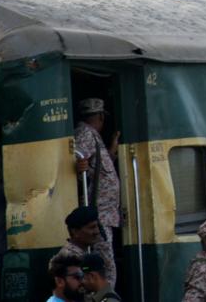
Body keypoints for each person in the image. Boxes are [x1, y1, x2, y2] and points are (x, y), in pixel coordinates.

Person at [73, 99, 119, 285]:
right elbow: (77, 161)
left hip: (104, 215)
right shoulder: (85, 133)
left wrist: (112, 152)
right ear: (100, 116)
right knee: (106, 267)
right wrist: (77, 166)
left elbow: (96, 166)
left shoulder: (92, 135)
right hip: (97, 216)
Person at [50, 206, 101, 283]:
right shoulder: (68, 257)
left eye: (97, 227)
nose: (97, 231)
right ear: (75, 232)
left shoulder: (82, 254)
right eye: (92, 227)